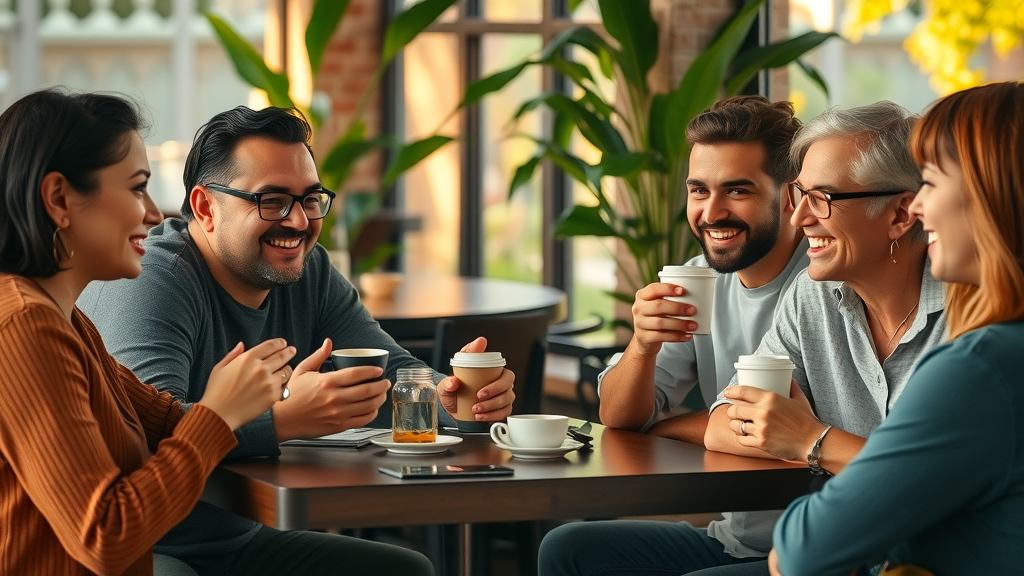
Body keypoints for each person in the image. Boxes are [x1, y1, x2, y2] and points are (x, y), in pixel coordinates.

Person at [77, 106, 509, 574]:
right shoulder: (154, 280)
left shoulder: (307, 269)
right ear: (205, 208)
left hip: (243, 538)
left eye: (310, 199)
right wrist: (280, 420)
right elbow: (146, 437)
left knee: (405, 570)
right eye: (272, 201)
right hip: (149, 549)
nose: (299, 222)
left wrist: (450, 397)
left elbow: (385, 370)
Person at [0, 89, 296, 575]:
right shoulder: (25, 328)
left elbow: (164, 424)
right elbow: (105, 537)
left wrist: (245, 397)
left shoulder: (68, 321)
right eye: (137, 187)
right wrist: (219, 413)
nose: (156, 214)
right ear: (59, 198)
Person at [539, 95, 808, 575]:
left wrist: (672, 426)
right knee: (569, 549)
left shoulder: (823, 282)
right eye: (699, 190)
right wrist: (643, 345)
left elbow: (760, 434)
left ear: (790, 194)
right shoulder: (695, 279)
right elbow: (617, 417)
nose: (712, 212)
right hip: (735, 540)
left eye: (737, 191)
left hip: (808, 548)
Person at [769, 81, 1024, 576]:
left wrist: (815, 443)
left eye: (932, 181)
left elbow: (802, 552)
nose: (920, 206)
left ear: (990, 196)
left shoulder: (984, 366)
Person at [696, 101, 948, 575]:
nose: (799, 218)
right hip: (842, 554)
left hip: (922, 561)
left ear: (900, 213)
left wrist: (815, 440)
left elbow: (931, 487)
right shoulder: (813, 295)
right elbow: (722, 421)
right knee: (573, 550)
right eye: (800, 194)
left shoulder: (971, 314)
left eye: (824, 198)